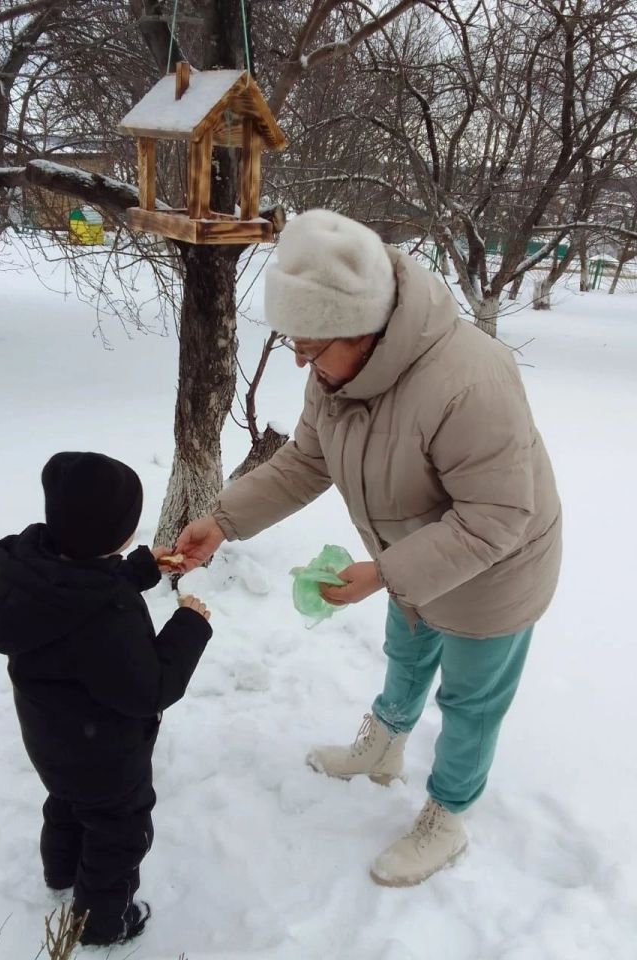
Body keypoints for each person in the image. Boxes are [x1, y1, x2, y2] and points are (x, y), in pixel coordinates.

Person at [173, 210, 562, 887]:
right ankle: (383, 747)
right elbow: (304, 462)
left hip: (497, 572)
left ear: (367, 329)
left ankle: (448, 812)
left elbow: (497, 516)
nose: (302, 362)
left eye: (312, 346)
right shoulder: (336, 372)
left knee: (470, 702)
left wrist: (384, 571)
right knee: (407, 654)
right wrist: (223, 519)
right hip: (411, 553)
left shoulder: (469, 380)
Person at [0, 452, 212, 944]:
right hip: (107, 758)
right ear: (112, 534)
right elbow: (150, 689)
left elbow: (82, 583)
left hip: (52, 741)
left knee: (65, 803)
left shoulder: (32, 570)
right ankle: (102, 925)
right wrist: (190, 625)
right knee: (117, 835)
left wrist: (146, 566)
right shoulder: (105, 616)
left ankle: (60, 874)